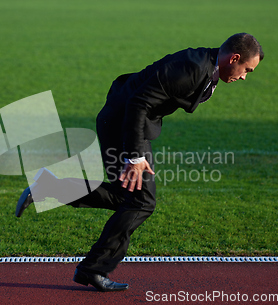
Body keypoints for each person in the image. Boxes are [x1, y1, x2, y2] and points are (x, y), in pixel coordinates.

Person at [16, 33, 264, 292]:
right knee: (141, 201)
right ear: (234, 58)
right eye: (247, 69)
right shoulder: (192, 68)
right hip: (123, 124)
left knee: (130, 199)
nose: (245, 76)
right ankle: (94, 268)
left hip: (131, 124)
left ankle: (49, 190)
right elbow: (138, 103)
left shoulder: (207, 65)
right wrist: (135, 157)